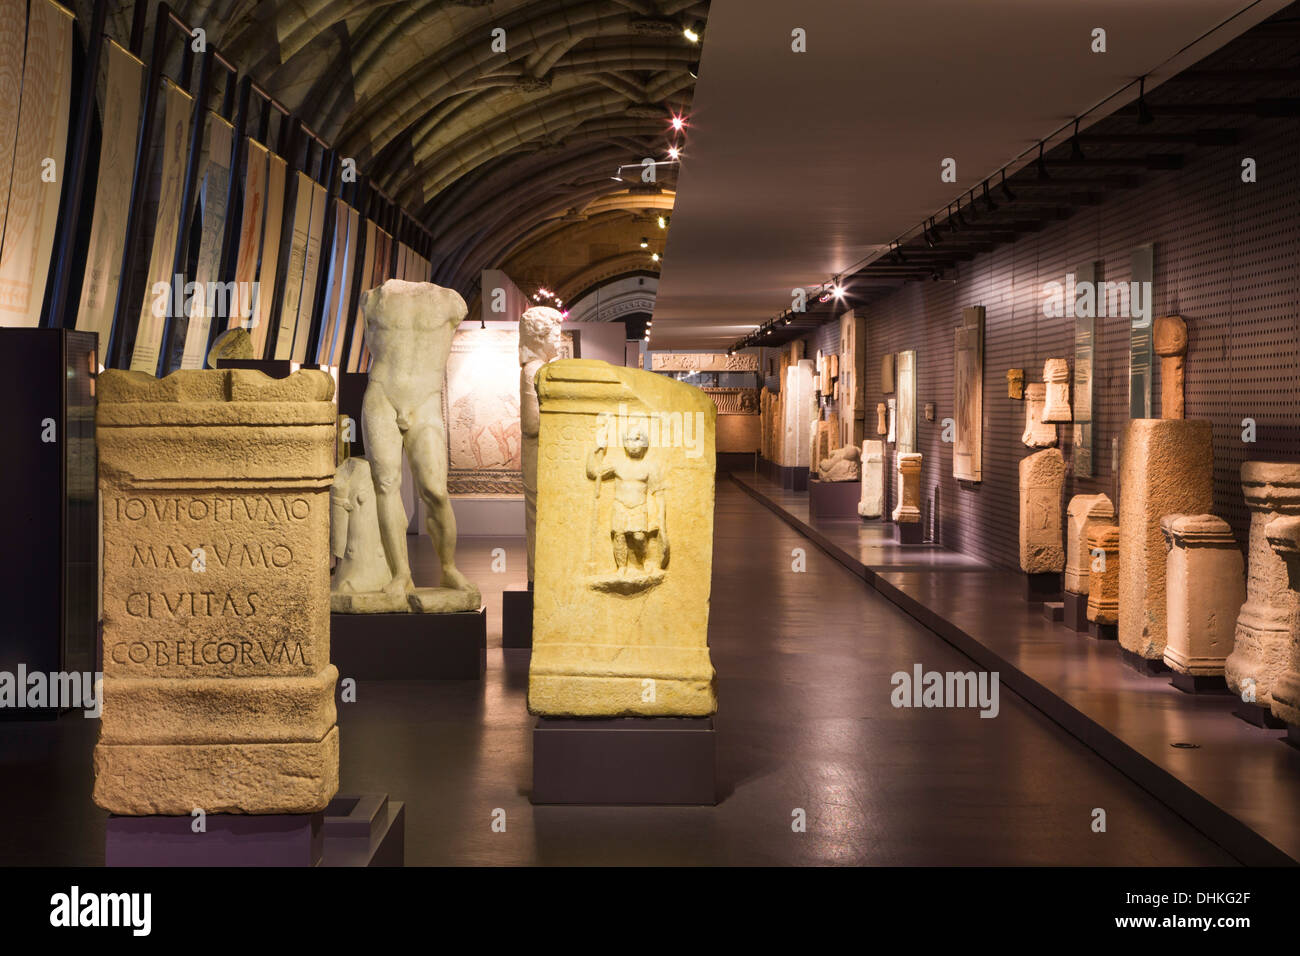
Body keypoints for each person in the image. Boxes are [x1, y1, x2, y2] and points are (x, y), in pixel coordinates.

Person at [360, 279, 474, 596]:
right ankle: (401, 573)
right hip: (382, 394)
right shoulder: (373, 298)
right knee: (385, 484)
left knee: (435, 490)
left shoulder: (451, 301)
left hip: (424, 399)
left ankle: (449, 568)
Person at [586, 423, 669, 574]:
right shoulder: (618, 464)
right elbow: (593, 472)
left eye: (636, 439)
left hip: (639, 507)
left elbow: (659, 493)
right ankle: (622, 567)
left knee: (639, 537)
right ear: (624, 443)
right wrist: (596, 447)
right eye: (629, 440)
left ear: (644, 442)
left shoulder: (650, 466)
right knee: (619, 536)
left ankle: (640, 564)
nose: (632, 444)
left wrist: (662, 524)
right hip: (620, 506)